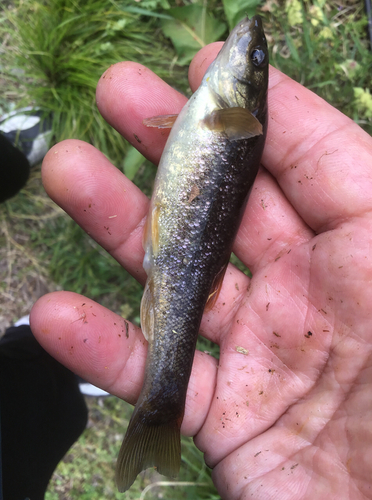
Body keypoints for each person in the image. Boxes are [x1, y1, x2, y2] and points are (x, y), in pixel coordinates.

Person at [30, 40, 372, 499]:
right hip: (181, 242)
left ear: (247, 90)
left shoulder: (235, 115)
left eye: (253, 58)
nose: (247, 43)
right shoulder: (225, 115)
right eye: (256, 55)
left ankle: (161, 406)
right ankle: (158, 405)